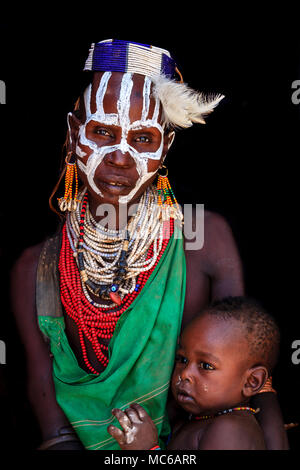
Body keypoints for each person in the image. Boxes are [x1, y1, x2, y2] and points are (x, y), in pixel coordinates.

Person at [10, 39, 287, 450]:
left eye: (142, 138)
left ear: (165, 149)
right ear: (73, 135)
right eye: (102, 132)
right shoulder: (36, 268)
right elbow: (54, 427)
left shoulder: (206, 240)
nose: (120, 157)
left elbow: (245, 370)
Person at [107, 296, 282, 450]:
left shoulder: (230, 429)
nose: (185, 374)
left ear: (251, 382)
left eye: (206, 366)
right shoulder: (193, 418)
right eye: (182, 359)